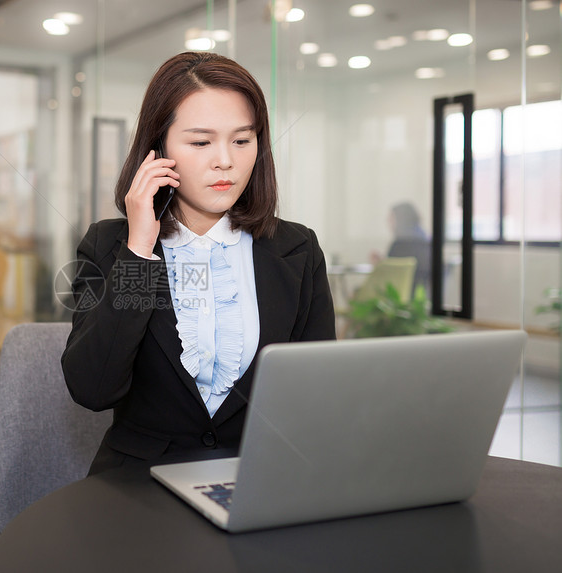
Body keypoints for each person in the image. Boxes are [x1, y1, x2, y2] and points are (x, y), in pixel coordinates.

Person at [61, 52, 336, 475]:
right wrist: (139, 249)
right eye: (200, 142)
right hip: (139, 486)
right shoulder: (109, 244)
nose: (225, 160)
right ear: (158, 149)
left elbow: (317, 393)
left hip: (258, 477)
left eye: (242, 140)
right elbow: (94, 388)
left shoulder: (297, 248)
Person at [371, 202, 431, 296]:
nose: (388, 222)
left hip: (402, 296)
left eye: (391, 219)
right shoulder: (424, 239)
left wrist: (379, 263)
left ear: (401, 219)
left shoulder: (402, 243)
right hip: (422, 295)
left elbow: (392, 273)